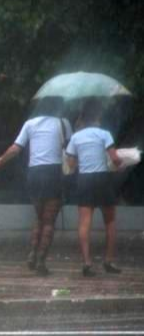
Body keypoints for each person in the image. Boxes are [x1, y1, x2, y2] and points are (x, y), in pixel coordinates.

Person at [0, 96, 70, 275]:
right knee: (49, 221)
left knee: (39, 218)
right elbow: (69, 148)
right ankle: (41, 259)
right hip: (54, 172)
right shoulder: (63, 124)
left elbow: (16, 149)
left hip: (35, 173)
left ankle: (32, 253)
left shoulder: (30, 124)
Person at [65, 98, 122, 277]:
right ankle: (109, 260)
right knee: (110, 221)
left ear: (83, 117)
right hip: (102, 179)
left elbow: (71, 164)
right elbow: (114, 159)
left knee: (84, 223)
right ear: (98, 116)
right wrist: (121, 162)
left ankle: (87, 263)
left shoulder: (75, 137)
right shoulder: (104, 134)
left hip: (84, 180)